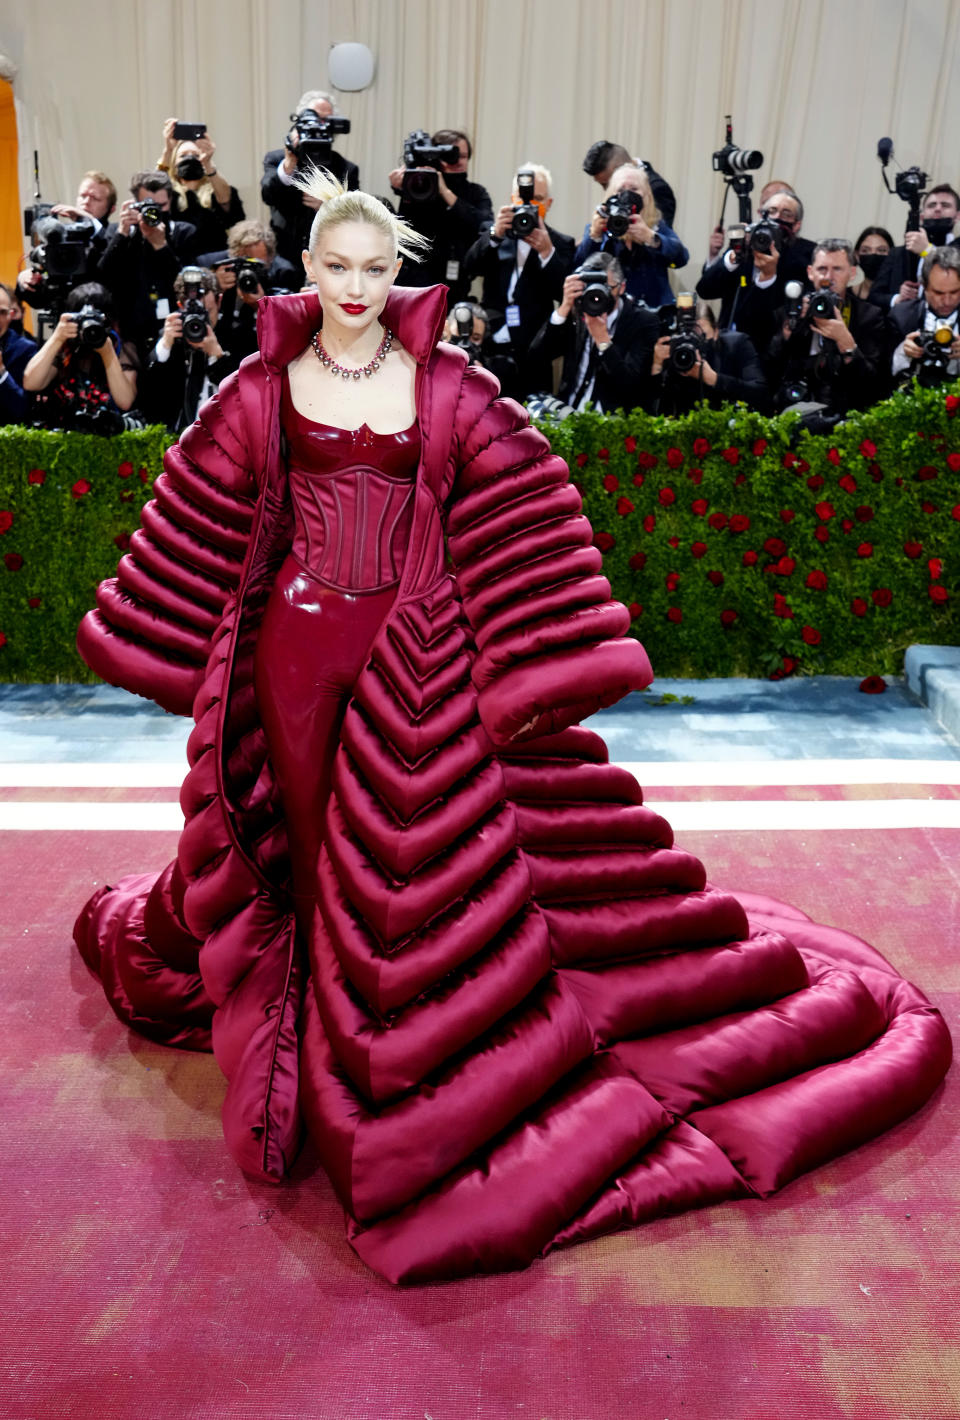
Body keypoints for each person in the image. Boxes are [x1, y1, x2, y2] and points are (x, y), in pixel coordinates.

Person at [72, 171, 950, 1287]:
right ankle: (295, 1037)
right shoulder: (259, 386)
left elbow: (529, 500)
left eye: (373, 267)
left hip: (416, 663)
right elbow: (199, 501)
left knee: (398, 853)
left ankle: (371, 1062)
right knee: (300, 837)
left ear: (400, 273)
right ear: (310, 271)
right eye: (334, 267)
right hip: (290, 651)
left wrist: (533, 651)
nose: (352, 286)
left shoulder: (453, 388)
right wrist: (175, 633)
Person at [462, 162, 575, 396]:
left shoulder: (561, 243)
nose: (528, 205)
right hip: (491, 347)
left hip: (535, 349)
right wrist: (495, 235)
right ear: (512, 199)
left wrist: (547, 253)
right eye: (523, 198)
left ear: (548, 204)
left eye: (537, 199)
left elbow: (563, 294)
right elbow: (469, 268)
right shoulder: (495, 232)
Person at [766, 238, 888, 416]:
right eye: (822, 269)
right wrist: (789, 330)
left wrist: (846, 343)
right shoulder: (788, 313)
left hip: (845, 415)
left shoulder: (868, 316)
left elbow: (872, 384)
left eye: (837, 269)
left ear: (852, 273)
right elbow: (769, 370)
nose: (828, 277)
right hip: (793, 411)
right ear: (810, 272)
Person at [528, 251, 659, 412]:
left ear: (621, 287)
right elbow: (536, 358)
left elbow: (630, 384)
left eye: (605, 288)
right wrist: (563, 308)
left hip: (612, 419)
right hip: (569, 411)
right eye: (590, 287)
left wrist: (602, 340)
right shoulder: (578, 311)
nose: (597, 296)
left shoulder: (643, 322)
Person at [697, 189, 815, 359]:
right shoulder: (745, 246)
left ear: (796, 225)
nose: (776, 217)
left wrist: (768, 276)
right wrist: (734, 255)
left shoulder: (805, 255)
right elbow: (705, 290)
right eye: (771, 211)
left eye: (786, 213)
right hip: (728, 345)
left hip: (772, 353)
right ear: (760, 214)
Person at [96, 171, 199, 354]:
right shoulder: (119, 232)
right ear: (135, 205)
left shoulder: (183, 233)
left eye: (161, 206)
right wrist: (122, 234)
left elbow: (187, 284)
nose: (155, 213)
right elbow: (103, 277)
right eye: (148, 207)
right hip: (129, 329)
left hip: (173, 329)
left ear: (170, 201)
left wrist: (161, 246)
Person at [261, 90, 360, 278]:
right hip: (284, 256)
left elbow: (355, 215)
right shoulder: (276, 159)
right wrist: (290, 162)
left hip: (329, 257)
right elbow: (268, 195)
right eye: (313, 118)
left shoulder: (346, 168)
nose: (320, 125)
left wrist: (328, 207)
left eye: (326, 120)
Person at [388, 128, 493, 301]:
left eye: (464, 156)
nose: (458, 161)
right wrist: (403, 185)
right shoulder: (420, 186)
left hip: (455, 283)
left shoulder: (476, 192)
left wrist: (445, 192)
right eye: (452, 155)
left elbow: (483, 224)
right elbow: (405, 228)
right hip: (415, 281)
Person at [22, 281, 139, 434]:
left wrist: (107, 353)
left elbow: (125, 401)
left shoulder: (121, 348)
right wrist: (57, 338)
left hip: (109, 437)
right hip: (67, 437)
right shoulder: (64, 349)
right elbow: (31, 383)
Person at [573, 163, 688, 312]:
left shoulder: (656, 225)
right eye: (620, 190)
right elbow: (578, 268)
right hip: (609, 311)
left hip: (653, 312)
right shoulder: (599, 227)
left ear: (646, 196)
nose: (627, 195)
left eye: (634, 189)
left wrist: (650, 237)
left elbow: (681, 258)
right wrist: (595, 236)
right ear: (610, 195)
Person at [140, 266, 236, 431]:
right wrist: (165, 345)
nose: (199, 320)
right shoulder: (171, 337)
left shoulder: (237, 335)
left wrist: (217, 356)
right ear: (179, 305)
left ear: (220, 300)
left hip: (225, 436)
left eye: (206, 312)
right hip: (177, 439)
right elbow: (147, 397)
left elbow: (243, 396)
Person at [650, 299, 769, 414]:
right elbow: (654, 410)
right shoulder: (675, 350)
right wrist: (657, 366)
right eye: (689, 337)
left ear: (716, 331)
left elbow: (759, 392)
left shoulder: (737, 344)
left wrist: (715, 379)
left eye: (701, 338)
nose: (695, 345)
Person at [156, 120, 245, 255]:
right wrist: (168, 150)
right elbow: (152, 191)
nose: (190, 159)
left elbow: (226, 201)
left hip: (213, 260)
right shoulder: (168, 193)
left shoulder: (215, 190)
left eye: (195, 155)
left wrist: (208, 163)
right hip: (176, 258)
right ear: (174, 162)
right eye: (183, 156)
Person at [868, 184, 960, 311]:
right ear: (921, 216)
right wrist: (897, 298)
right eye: (932, 205)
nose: (938, 209)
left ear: (958, 216)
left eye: (945, 205)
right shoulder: (898, 254)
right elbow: (874, 296)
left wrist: (927, 251)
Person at [891, 244, 960, 385]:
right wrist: (903, 352)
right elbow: (880, 376)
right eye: (938, 293)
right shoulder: (901, 316)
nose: (947, 301)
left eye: (954, 292)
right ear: (924, 287)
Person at [582, 140, 677, 227]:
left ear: (621, 169)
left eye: (606, 184)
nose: (606, 190)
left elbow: (660, 237)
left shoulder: (657, 189)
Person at [0, 283, 38, 425]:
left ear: (11, 315)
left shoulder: (25, 349)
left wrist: (2, 373)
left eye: (1, 312)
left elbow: (23, 411)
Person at [852, 226, 894, 302]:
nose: (873, 254)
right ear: (857, 255)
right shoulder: (845, 296)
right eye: (865, 250)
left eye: (881, 250)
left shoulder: (897, 299)